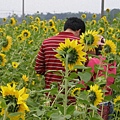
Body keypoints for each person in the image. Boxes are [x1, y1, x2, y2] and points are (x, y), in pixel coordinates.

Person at [35, 17, 85, 103]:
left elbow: (38, 69)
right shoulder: (80, 44)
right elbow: (83, 72)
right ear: (79, 31)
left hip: (51, 95)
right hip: (71, 97)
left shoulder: (47, 42)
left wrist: (53, 72)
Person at [86, 36, 116, 120]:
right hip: (109, 104)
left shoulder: (94, 61)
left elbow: (85, 82)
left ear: (94, 48)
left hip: (97, 104)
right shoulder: (112, 62)